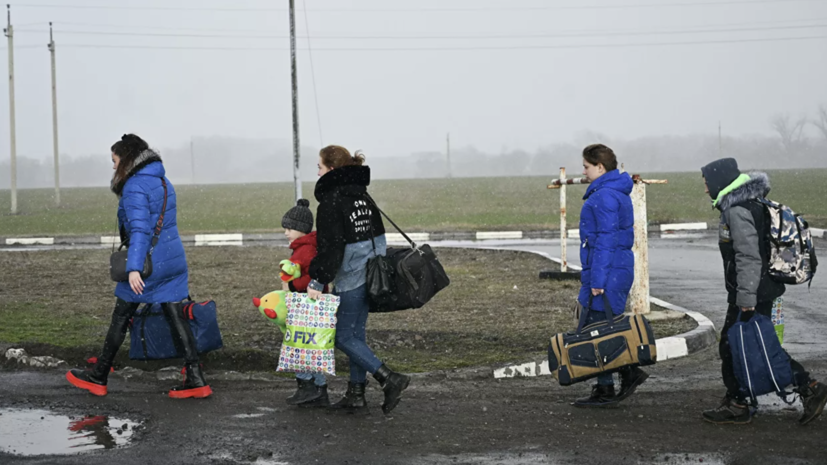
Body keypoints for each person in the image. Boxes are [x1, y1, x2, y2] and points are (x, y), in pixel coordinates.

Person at [66, 134, 211, 399]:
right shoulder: (163, 182)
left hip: (149, 264)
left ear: (127, 159)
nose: (113, 166)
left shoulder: (134, 187)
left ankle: (98, 376)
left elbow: (140, 230)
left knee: (121, 315)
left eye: (115, 160)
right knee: (175, 314)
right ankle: (195, 378)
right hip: (173, 259)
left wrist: (134, 269)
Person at [700, 157, 827, 425]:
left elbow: (748, 257)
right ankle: (743, 400)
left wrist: (745, 299)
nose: (704, 188)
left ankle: (802, 389)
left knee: (740, 346)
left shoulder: (736, 210)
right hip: (761, 288)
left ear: (720, 181)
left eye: (706, 182)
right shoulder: (750, 203)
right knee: (752, 345)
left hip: (752, 292)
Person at [305, 145, 410, 415]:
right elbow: (379, 237)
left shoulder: (331, 202)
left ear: (331, 169)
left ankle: (389, 378)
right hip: (372, 276)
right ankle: (355, 394)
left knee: (342, 337)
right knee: (356, 336)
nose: (316, 172)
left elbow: (331, 248)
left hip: (351, 279)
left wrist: (318, 280)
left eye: (319, 166)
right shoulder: (362, 196)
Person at [573, 144, 648, 408]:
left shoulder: (604, 196)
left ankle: (613, 383)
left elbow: (605, 241)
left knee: (598, 330)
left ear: (600, 167)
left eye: (586, 166)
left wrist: (598, 281)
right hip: (614, 269)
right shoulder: (613, 192)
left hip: (608, 271)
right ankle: (615, 379)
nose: (583, 171)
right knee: (603, 328)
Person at [280, 198, 329, 407]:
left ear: (301, 229)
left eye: (289, 228)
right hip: (310, 305)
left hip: (306, 304)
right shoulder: (306, 246)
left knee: (300, 347)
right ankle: (319, 389)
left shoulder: (306, 250)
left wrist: (291, 286)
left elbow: (311, 278)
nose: (286, 233)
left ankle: (307, 386)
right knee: (312, 349)